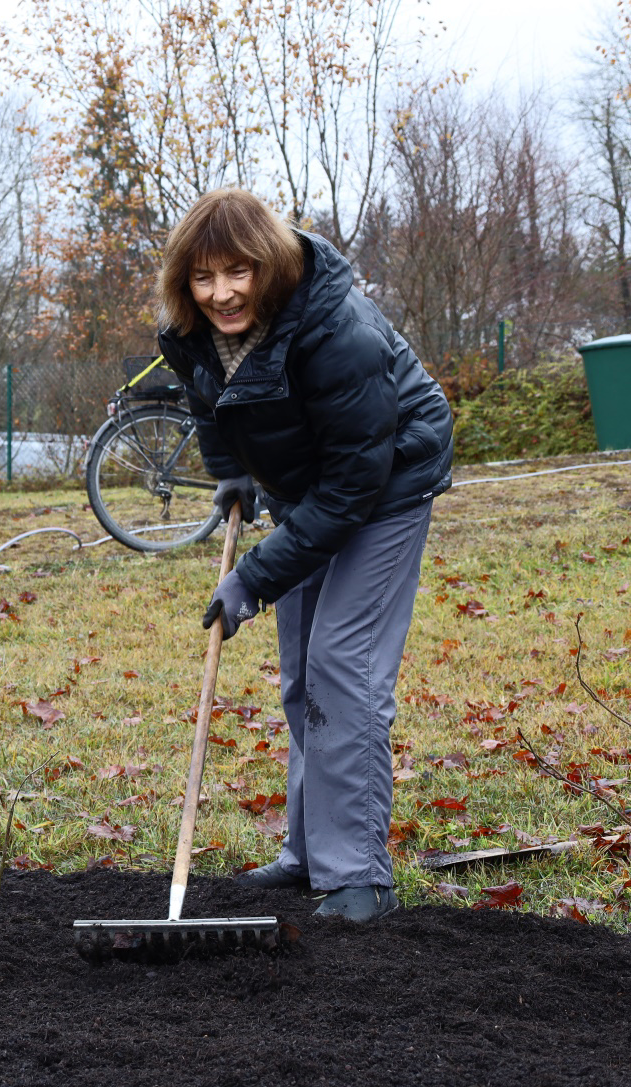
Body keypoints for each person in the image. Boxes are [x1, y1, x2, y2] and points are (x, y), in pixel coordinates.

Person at [156, 188, 453, 923]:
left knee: (341, 664)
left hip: (384, 484)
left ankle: (358, 876)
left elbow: (356, 484)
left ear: (269, 266)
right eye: (203, 276)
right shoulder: (197, 330)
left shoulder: (334, 330)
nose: (221, 292)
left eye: (237, 272)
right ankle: (312, 850)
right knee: (300, 673)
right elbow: (209, 398)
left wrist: (253, 577)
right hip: (312, 487)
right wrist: (230, 469)